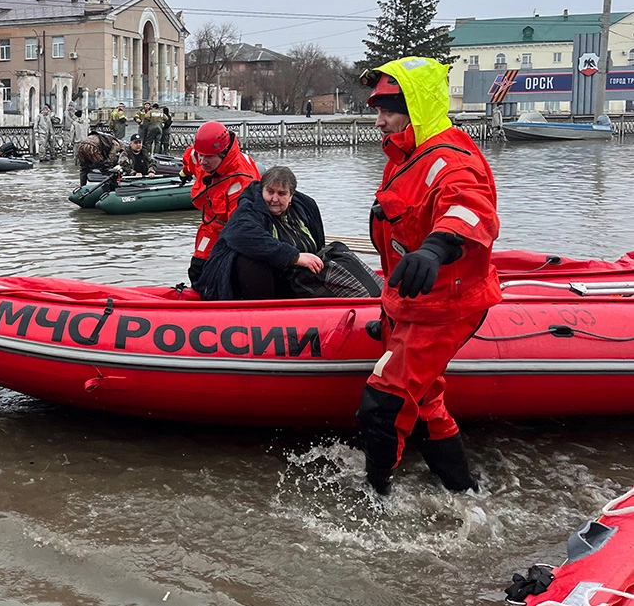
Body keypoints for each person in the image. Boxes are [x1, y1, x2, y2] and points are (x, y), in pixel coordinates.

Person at [356, 56, 501, 497]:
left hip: (444, 305)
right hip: (413, 301)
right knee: (427, 403)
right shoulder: (406, 153)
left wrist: (438, 246)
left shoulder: (450, 160)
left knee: (384, 404)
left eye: (387, 110)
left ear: (414, 109)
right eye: (377, 110)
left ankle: (375, 501)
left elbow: (469, 208)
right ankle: (462, 490)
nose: (378, 120)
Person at [194, 166, 324, 301]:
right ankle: (262, 310)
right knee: (250, 260)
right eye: (270, 192)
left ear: (291, 195)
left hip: (296, 280)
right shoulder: (248, 208)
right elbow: (241, 234)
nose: (274, 199)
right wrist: (294, 256)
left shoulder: (306, 207)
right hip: (253, 282)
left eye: (281, 194)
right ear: (262, 190)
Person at [178, 120, 262, 285]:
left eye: (208, 157)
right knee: (197, 267)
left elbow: (239, 223)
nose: (202, 161)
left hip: (230, 226)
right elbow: (191, 159)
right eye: (201, 155)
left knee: (222, 269)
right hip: (210, 223)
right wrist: (184, 173)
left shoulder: (241, 179)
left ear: (223, 154)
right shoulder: (199, 154)